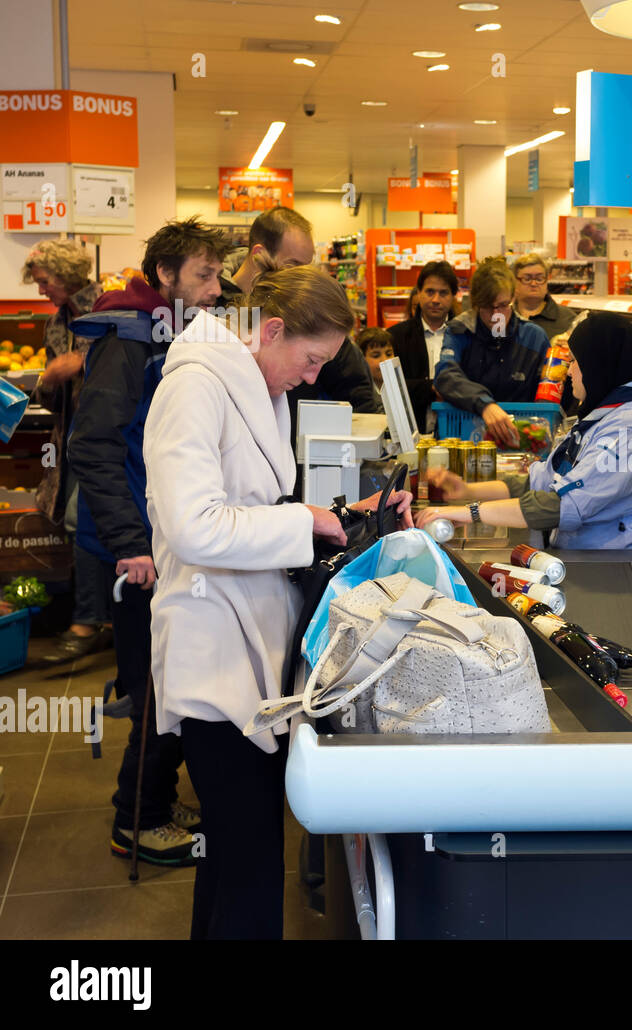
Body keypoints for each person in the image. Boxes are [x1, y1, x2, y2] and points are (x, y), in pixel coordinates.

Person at [142, 265, 413, 939]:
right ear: (270, 331)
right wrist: (308, 525)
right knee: (251, 868)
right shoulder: (196, 387)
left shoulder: (259, 384)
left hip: (249, 644)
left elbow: (261, 508)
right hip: (212, 653)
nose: (315, 375)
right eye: (311, 358)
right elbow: (195, 525)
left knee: (236, 860)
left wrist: (345, 512)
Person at [67, 216, 228, 866]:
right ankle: (137, 821)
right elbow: (93, 445)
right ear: (166, 277)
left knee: (171, 678)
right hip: (132, 550)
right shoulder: (128, 339)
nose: (217, 289)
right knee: (158, 687)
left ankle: (155, 800)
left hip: (159, 537)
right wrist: (132, 543)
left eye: (218, 274)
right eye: (204, 275)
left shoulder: (164, 329)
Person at [418, 312, 632, 549]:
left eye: (575, 361)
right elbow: (540, 480)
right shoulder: (606, 414)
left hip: (622, 568)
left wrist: (468, 513)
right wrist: (468, 490)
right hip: (596, 558)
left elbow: (561, 505)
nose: (568, 372)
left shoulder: (631, 426)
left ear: (598, 365)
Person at [21, 239, 111, 662]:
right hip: (73, 437)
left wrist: (82, 362)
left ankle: (88, 620)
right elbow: (52, 384)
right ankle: (104, 616)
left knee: (83, 519)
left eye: (44, 282)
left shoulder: (109, 306)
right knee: (82, 521)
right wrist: (48, 378)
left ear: (66, 275)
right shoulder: (56, 322)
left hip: (111, 439)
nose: (41, 291)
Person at [220, 206, 380, 434]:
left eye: (308, 266)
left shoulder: (313, 312)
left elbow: (353, 383)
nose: (304, 276)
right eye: (293, 265)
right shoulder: (211, 309)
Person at [434, 258, 549, 448]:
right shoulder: (460, 330)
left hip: (522, 443)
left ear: (513, 298)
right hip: (468, 440)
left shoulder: (534, 337)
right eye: (488, 307)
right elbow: (446, 375)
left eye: (503, 305)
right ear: (476, 304)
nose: (496, 314)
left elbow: (548, 397)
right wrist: (484, 404)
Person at [388, 260, 458, 433]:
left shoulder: (465, 336)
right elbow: (391, 386)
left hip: (457, 428)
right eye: (430, 292)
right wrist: (432, 388)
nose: (435, 299)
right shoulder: (395, 336)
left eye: (443, 293)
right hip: (409, 432)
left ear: (453, 296)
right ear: (418, 294)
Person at [512, 253, 577, 341]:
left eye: (539, 279)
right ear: (515, 281)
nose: (533, 284)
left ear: (547, 280)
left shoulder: (568, 319)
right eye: (527, 279)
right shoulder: (502, 315)